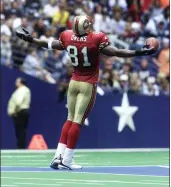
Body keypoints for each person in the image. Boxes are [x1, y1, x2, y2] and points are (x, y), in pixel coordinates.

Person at [16, 15, 155, 169]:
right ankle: (67, 160)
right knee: (77, 121)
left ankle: (58, 156)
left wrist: (31, 39)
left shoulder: (67, 36)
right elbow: (116, 52)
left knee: (69, 119)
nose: (91, 27)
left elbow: (49, 44)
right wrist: (138, 52)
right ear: (86, 27)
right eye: (89, 25)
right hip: (87, 84)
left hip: (74, 82)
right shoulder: (96, 38)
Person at [7, 77, 31, 149]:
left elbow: (18, 101)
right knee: (20, 130)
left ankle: (21, 147)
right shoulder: (22, 90)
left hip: (20, 112)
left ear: (21, 82)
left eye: (17, 81)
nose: (16, 83)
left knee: (20, 131)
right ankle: (21, 146)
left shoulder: (22, 89)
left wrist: (14, 110)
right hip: (21, 112)